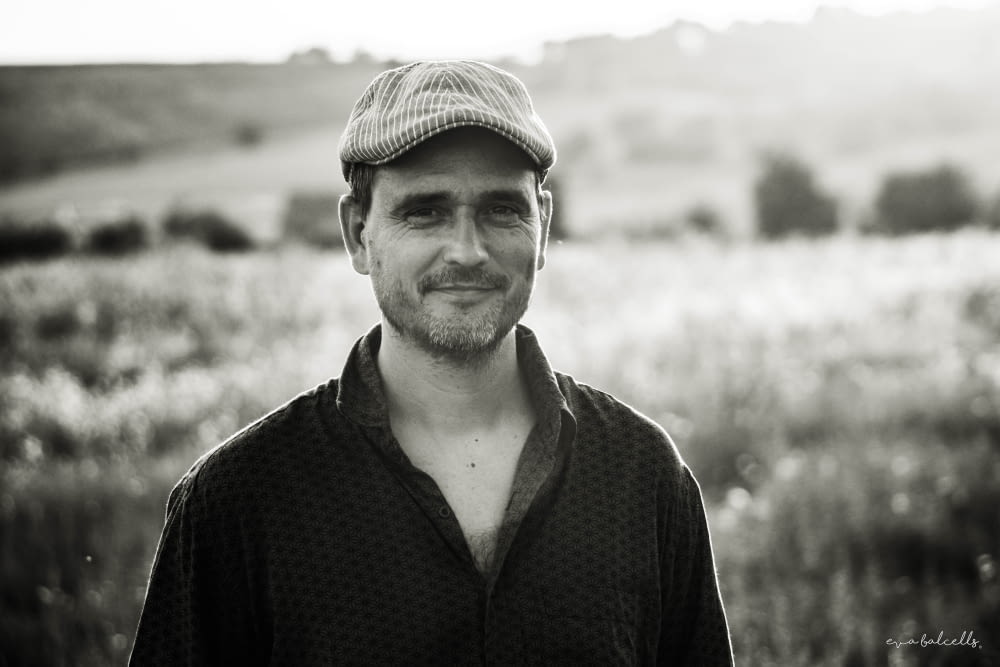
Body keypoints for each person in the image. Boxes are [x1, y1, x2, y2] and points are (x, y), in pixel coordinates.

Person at [130, 60, 733, 666]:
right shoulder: (236, 503)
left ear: (543, 226)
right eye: (425, 211)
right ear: (358, 233)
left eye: (502, 209)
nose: (467, 251)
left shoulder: (642, 478)